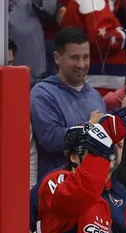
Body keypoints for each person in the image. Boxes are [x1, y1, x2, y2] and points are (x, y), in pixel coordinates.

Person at [30, 27, 107, 179]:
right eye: (74, 58)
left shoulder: (95, 95)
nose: (81, 64)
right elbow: (50, 139)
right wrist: (90, 127)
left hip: (93, 182)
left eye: (86, 57)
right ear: (57, 57)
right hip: (58, 186)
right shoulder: (42, 94)